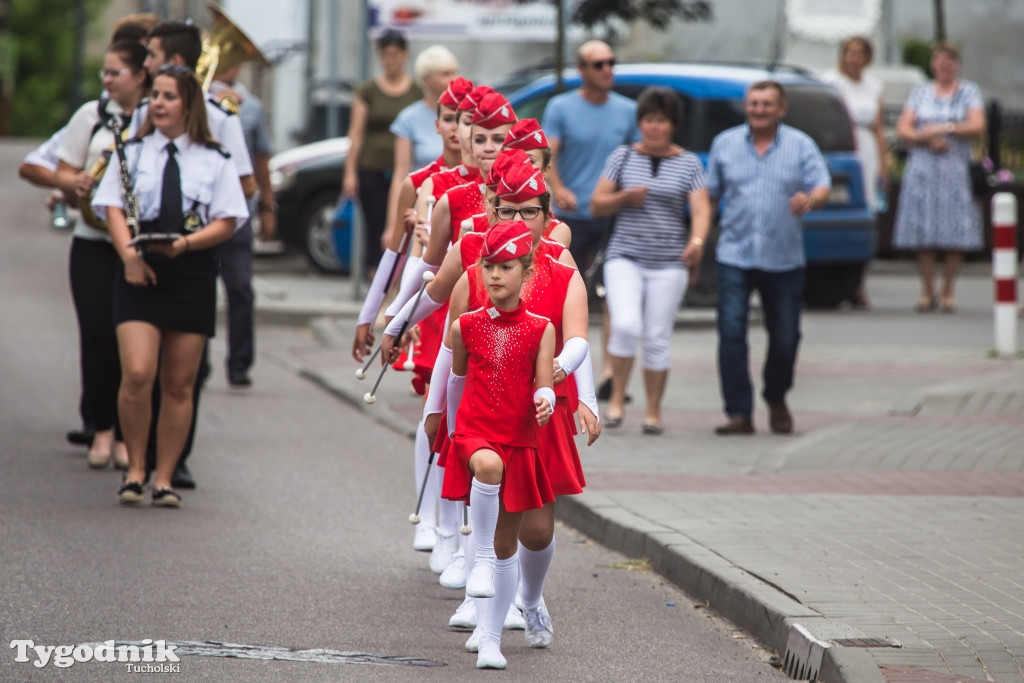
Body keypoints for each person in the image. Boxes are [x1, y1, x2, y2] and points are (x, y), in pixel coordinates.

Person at [92, 64, 248, 507]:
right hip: (139, 269)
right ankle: (135, 468)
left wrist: (185, 244)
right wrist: (128, 257)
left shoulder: (214, 158)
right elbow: (111, 206)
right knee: (138, 373)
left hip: (191, 270)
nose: (158, 103)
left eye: (168, 96)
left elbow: (229, 219)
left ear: (188, 105)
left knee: (180, 383)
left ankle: (163, 476)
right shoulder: (131, 151)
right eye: (155, 95)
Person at [135, 20, 256, 490]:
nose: (147, 65)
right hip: (146, 252)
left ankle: (174, 457)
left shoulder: (220, 117)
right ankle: (139, 455)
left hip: (201, 249)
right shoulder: (148, 114)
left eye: (154, 56)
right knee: (141, 366)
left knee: (190, 366)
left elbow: (243, 183)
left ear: (176, 63)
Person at [443, 219, 556, 669]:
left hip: (519, 440)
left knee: (511, 544)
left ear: (525, 272)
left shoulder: (541, 327)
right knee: (488, 471)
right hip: (475, 436)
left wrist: (546, 399)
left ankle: (490, 640)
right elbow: (455, 383)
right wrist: (450, 433)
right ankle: (481, 558)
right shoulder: (465, 326)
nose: (494, 275)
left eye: (506, 266)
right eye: (488, 266)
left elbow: (544, 383)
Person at [705, 80, 831, 436]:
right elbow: (709, 195)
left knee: (786, 336)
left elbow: (821, 185)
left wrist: (809, 200)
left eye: (766, 104)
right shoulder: (725, 144)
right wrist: (698, 240)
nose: (759, 110)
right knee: (731, 333)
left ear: (781, 108)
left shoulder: (800, 145)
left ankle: (776, 397)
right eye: (753, 103)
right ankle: (739, 413)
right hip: (735, 254)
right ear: (746, 106)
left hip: (784, 258)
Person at [590, 87, 711, 434]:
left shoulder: (689, 163)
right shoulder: (622, 157)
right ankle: (616, 399)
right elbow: (597, 204)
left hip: (669, 260)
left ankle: (653, 411)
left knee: (657, 335)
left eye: (660, 121)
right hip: (625, 256)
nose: (653, 128)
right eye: (648, 120)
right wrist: (624, 197)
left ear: (673, 125)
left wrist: (697, 243)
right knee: (625, 325)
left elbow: (702, 210)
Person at [55, 40, 151, 470]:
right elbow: (62, 166)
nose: (108, 81)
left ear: (140, 75)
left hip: (139, 244)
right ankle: (102, 430)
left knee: (131, 345)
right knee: (96, 337)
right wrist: (72, 182)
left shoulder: (155, 117)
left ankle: (130, 436)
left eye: (116, 73)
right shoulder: (90, 116)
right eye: (104, 74)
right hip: (92, 243)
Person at [542, 40, 637, 400]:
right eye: (598, 64)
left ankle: (612, 371)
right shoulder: (561, 107)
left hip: (613, 217)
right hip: (571, 217)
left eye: (611, 62)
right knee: (566, 293)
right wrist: (559, 188)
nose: (607, 69)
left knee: (613, 295)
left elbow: (637, 158)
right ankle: (561, 364)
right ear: (581, 70)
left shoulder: (628, 111)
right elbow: (548, 155)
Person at [893, 43, 986, 313]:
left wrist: (945, 128)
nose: (944, 66)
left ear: (956, 64)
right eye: (939, 61)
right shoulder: (920, 92)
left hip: (955, 169)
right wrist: (927, 137)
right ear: (933, 64)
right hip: (923, 169)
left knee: (954, 229)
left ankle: (948, 290)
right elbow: (904, 128)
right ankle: (927, 290)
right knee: (924, 229)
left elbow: (977, 125)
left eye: (949, 61)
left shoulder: (968, 92)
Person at [209, 63, 276, 387]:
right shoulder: (194, 101)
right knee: (200, 288)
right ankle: (196, 363)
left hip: (238, 212)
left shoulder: (252, 108)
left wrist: (267, 205)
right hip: (202, 213)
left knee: (240, 288)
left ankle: (239, 363)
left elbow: (261, 158)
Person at [343, 30, 423, 281]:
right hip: (372, 168)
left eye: (395, 55)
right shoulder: (368, 90)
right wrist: (350, 172)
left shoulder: (416, 91)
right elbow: (356, 133)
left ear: (405, 56)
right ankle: (376, 282)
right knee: (376, 228)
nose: (390, 60)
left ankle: (399, 283)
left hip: (407, 172)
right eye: (385, 55)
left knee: (406, 224)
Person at [821, 36, 888, 310]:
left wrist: (884, 163)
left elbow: (878, 127)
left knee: (867, 218)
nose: (854, 58)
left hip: (867, 152)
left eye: (859, 54)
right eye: (849, 53)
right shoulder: (830, 82)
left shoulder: (874, 86)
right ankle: (835, 281)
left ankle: (859, 283)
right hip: (841, 149)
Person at [385, 45, 459, 240]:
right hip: (424, 212)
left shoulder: (469, 115)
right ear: (427, 79)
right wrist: (393, 225)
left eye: (454, 72)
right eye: (445, 74)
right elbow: (401, 174)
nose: (454, 79)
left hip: (460, 210)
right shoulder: (409, 118)